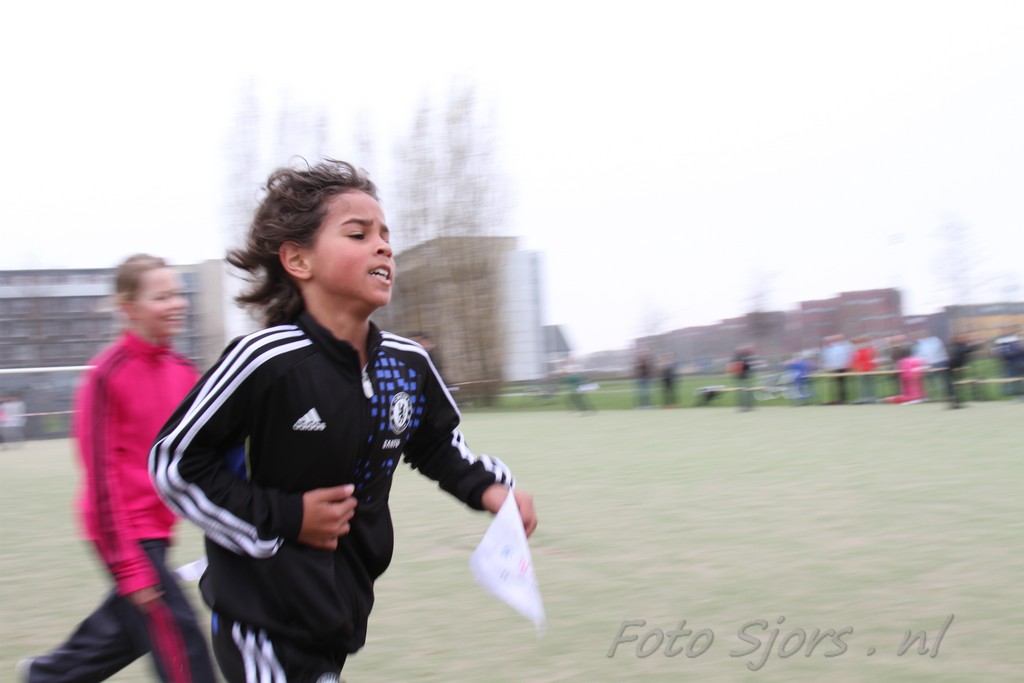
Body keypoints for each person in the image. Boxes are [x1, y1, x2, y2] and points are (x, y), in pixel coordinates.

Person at [149, 159, 538, 683]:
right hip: (261, 616)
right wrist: (287, 517)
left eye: (385, 236)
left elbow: (434, 445)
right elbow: (174, 462)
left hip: (340, 608)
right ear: (298, 260)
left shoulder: (408, 364)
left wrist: (490, 489)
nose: (383, 248)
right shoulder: (265, 361)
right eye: (358, 234)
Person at [20, 255, 216, 683]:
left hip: (159, 529)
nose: (176, 304)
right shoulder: (106, 376)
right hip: (123, 533)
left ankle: (46, 677)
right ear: (130, 307)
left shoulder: (184, 372)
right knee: (180, 638)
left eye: (177, 294)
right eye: (161, 297)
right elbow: (100, 483)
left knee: (125, 631)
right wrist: (129, 567)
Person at [820, 334, 854, 404]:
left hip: (842, 367)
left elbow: (847, 356)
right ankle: (834, 399)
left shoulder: (845, 346)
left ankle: (843, 399)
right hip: (834, 368)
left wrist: (847, 364)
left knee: (842, 384)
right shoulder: (831, 347)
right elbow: (829, 357)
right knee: (835, 384)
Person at [850, 336, 878, 404]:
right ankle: (865, 398)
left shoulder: (870, 349)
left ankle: (871, 398)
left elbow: (873, 358)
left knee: (870, 384)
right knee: (863, 385)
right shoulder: (858, 350)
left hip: (869, 369)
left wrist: (874, 366)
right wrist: (856, 368)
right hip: (862, 370)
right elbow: (856, 361)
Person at [730, 345, 755, 411]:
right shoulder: (741, 358)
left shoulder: (736, 358)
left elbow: (733, 368)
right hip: (742, 377)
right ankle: (746, 407)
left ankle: (744, 406)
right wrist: (749, 372)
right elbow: (747, 366)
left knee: (743, 392)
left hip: (741, 377)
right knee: (744, 392)